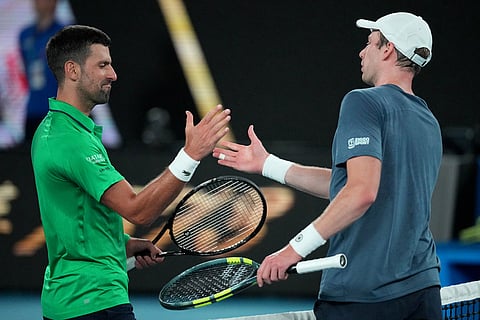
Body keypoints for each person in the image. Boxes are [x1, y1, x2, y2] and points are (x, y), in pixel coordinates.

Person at [213, 12, 442, 320]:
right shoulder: (428, 120)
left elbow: (361, 192)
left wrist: (293, 250)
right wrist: (269, 165)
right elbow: (348, 185)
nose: (362, 52)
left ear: (387, 50)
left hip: (364, 299)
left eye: (370, 43)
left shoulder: (364, 102)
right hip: (423, 292)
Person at [31, 24, 231, 320]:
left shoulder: (56, 130)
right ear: (72, 70)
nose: (113, 74)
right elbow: (139, 212)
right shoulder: (69, 140)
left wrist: (124, 245)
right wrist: (190, 155)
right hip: (94, 304)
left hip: (72, 301)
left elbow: (78, 222)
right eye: (103, 65)